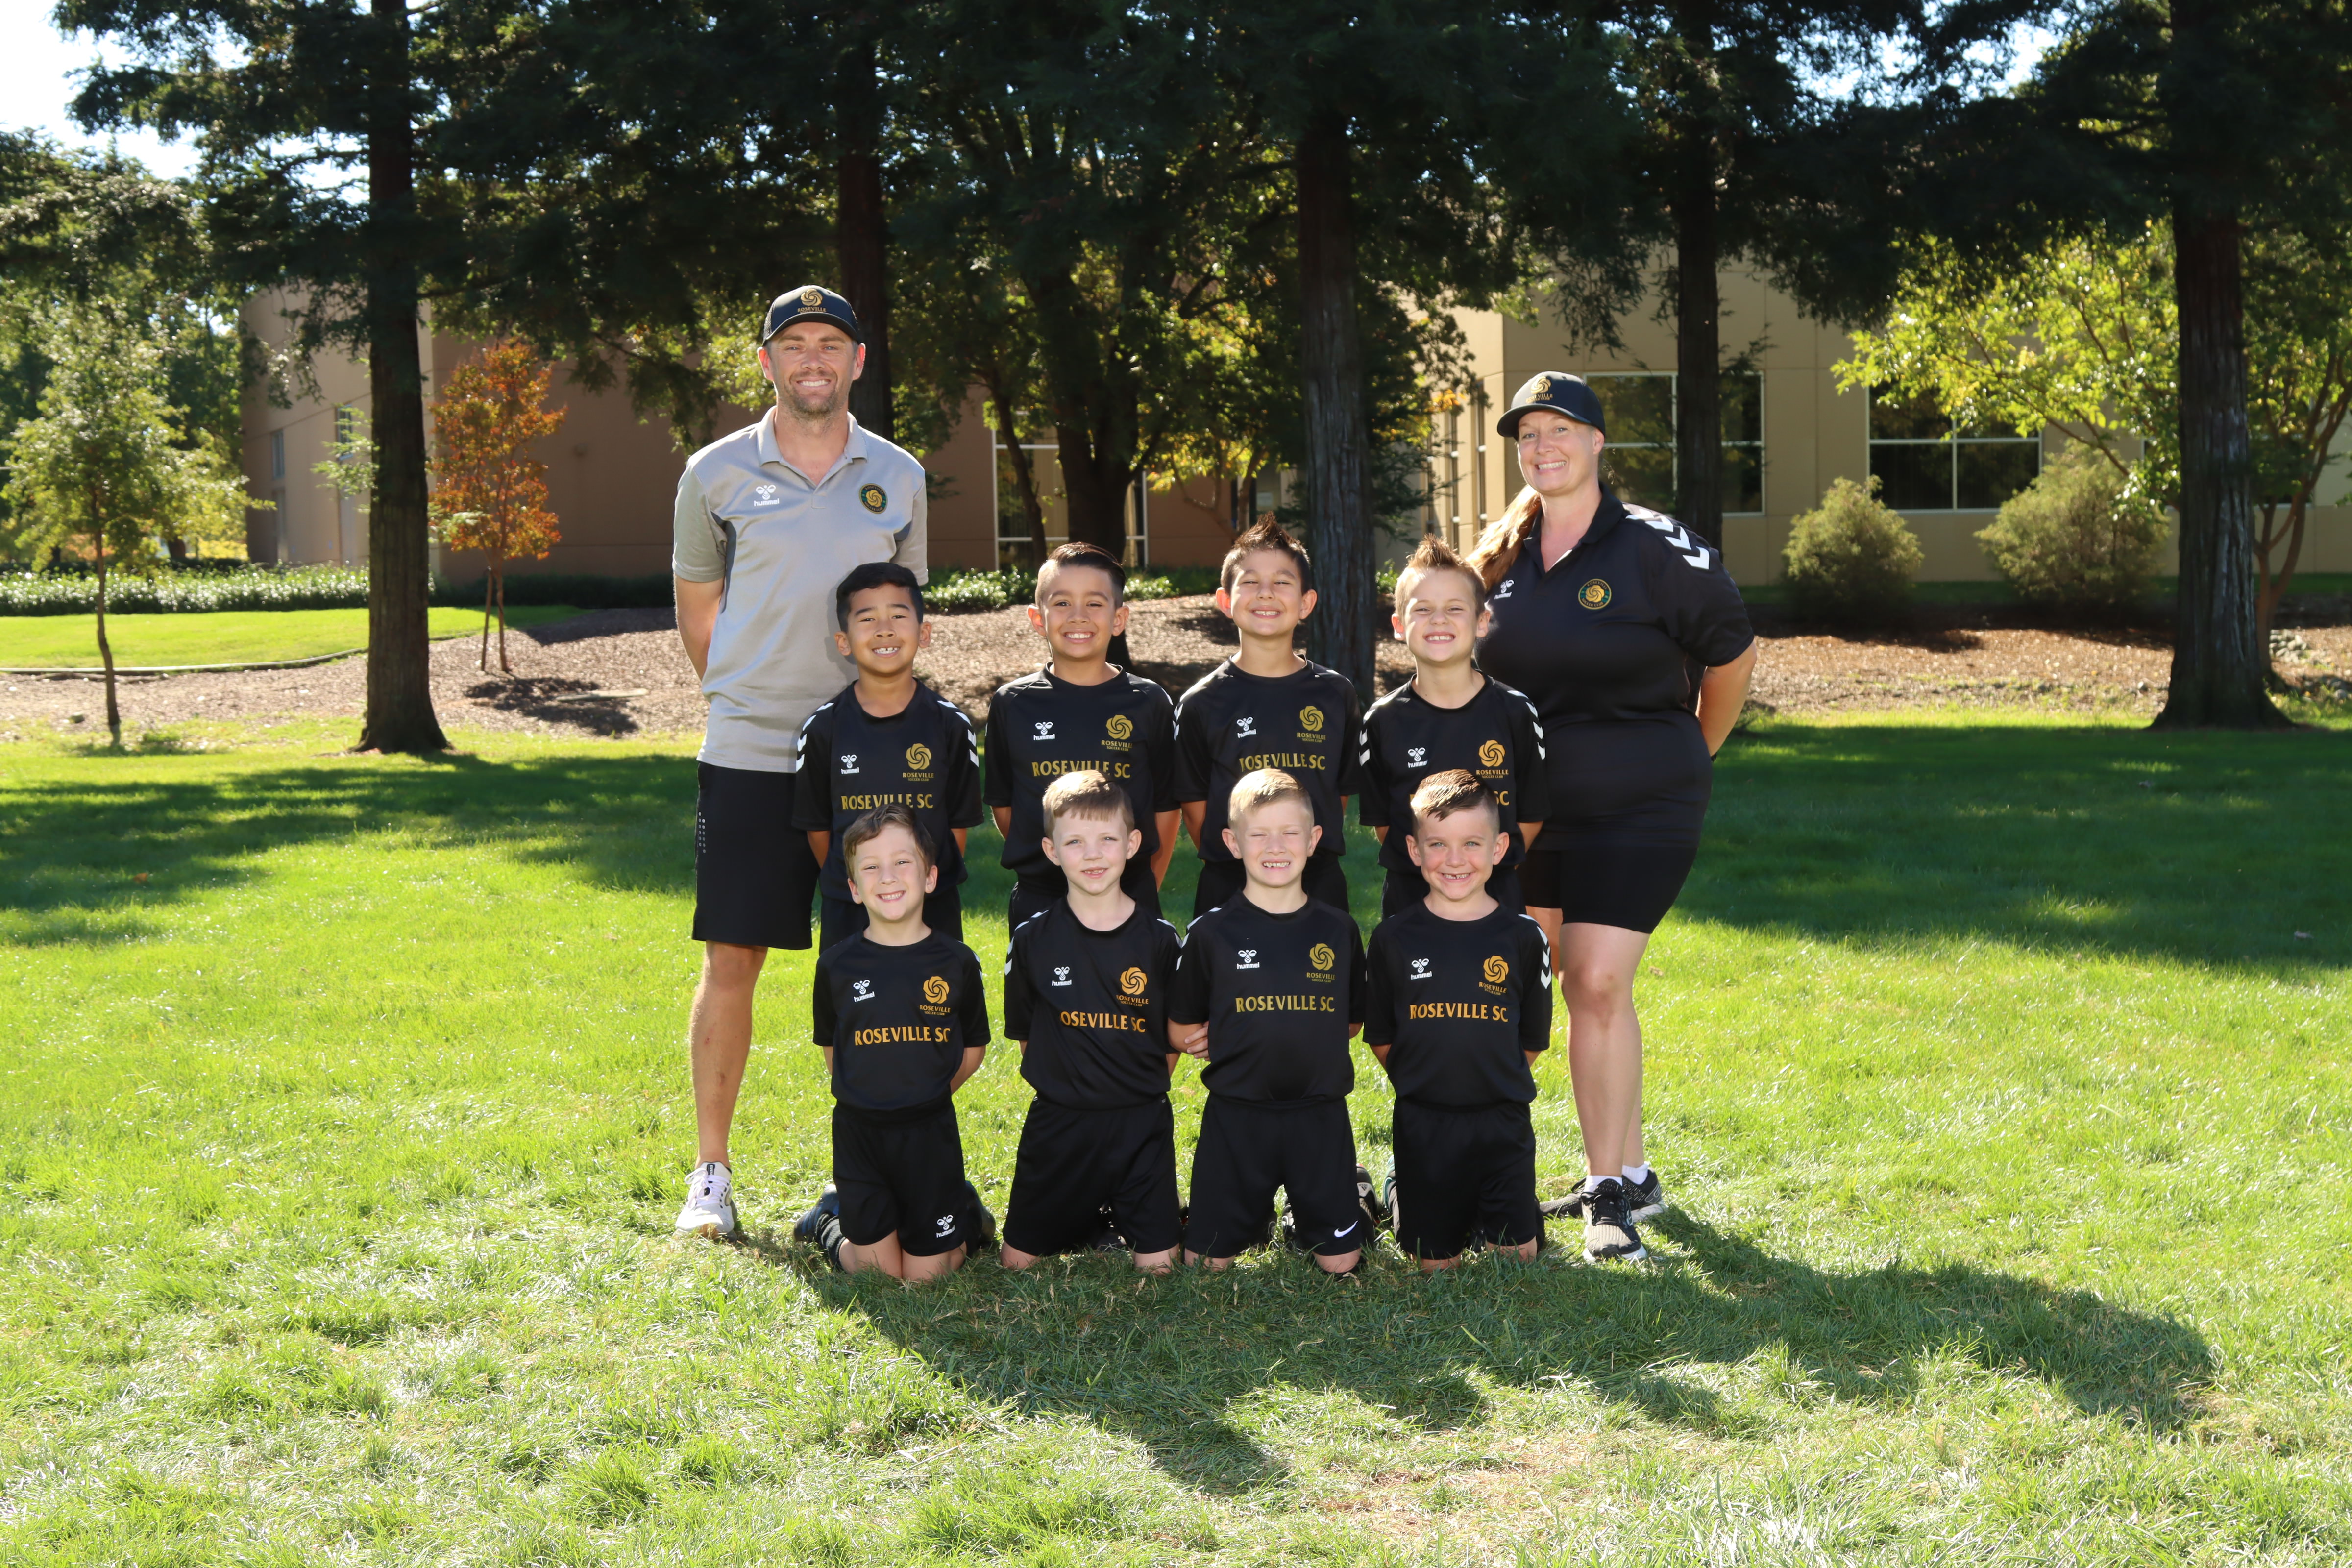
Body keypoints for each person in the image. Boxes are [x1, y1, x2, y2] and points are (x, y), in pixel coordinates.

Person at [1466, 372, 1757, 1263]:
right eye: (1529, 434)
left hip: (1642, 802)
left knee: (1594, 980)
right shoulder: (1500, 558)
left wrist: (1690, 752)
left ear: (1598, 443)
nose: (1543, 446)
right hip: (1530, 810)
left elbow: (1733, 657)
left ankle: (1606, 1195)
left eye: (1561, 429)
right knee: (1554, 980)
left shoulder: (1654, 547)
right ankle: (1632, 1172)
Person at [670, 285, 927, 1239]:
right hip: (749, 750)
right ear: (767, 361)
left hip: (867, 753)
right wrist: (749, 694)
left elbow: (902, 615)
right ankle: (711, 1176)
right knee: (733, 955)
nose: (812, 360)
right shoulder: (714, 473)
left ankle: (869, 1173)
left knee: (873, 958)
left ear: (857, 361)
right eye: (794, 344)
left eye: (830, 344)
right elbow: (698, 612)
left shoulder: (897, 474)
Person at [1170, 769, 1372, 1274]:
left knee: (1341, 1264)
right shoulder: (1211, 932)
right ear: (1232, 843)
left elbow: (1350, 1023)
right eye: (1258, 834)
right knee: (1204, 1265)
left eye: (1289, 832)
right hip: (1236, 1116)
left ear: (1314, 839)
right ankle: (1252, 1210)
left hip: (1320, 1116)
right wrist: (1215, 1035)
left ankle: (1347, 1196)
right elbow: (1180, 1027)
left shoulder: (1339, 930)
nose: (1275, 847)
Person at [792, 805, 993, 1281]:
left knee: (927, 1279)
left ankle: (963, 1213)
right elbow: (835, 1051)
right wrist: (872, 1094)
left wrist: (928, 1094)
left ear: (930, 876)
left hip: (930, 1132)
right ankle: (829, 1219)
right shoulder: (836, 966)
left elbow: (973, 1048)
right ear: (854, 888)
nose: (888, 876)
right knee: (877, 1276)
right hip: (860, 1134)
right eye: (871, 867)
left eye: (903, 861)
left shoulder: (957, 962)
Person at [1363, 772, 1555, 1270]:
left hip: (1502, 1120)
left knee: (1517, 1260)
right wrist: (1426, 1080)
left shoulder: (1524, 937)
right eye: (1437, 844)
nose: (1454, 860)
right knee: (1434, 1264)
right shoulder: (1392, 938)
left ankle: (1498, 1201)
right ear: (1414, 849)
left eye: (1472, 843)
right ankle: (1401, 1189)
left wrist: (1486, 1080)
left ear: (1499, 847)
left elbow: (1532, 1039)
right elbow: (1380, 1035)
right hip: (1424, 1121)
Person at [998, 771, 1187, 1273]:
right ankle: (1084, 1213)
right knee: (1017, 1264)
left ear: (1133, 843)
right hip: (1058, 1122)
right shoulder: (1032, 939)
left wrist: (1133, 1087)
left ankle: (1116, 1208)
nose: (1093, 854)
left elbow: (1171, 1039)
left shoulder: (1161, 941)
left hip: (1141, 1122)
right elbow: (1026, 1033)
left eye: (1107, 839)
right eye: (1075, 842)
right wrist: (1071, 1086)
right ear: (1051, 850)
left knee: (1160, 1268)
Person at [983, 543, 1180, 932]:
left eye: (1094, 603)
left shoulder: (1148, 702)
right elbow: (1007, 808)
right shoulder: (1012, 704)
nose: (1078, 616)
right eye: (1062, 603)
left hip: (1129, 895)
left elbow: (1165, 810)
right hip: (1040, 900)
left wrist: (1141, 886)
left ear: (1119, 618)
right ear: (1037, 619)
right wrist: (1056, 859)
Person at [1174, 520, 1364, 920]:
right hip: (1229, 886)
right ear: (1225, 601)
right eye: (1250, 582)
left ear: (1306, 603)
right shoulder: (1201, 703)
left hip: (1318, 883)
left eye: (1282, 582)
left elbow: (1337, 795)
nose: (1266, 593)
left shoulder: (1336, 695)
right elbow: (1196, 813)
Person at [793, 563, 982, 954]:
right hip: (850, 906)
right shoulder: (823, 729)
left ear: (924, 633)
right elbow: (818, 829)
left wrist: (920, 884)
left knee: (937, 995)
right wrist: (861, 884)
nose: (884, 630)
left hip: (932, 904)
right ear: (844, 642)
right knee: (849, 996)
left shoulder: (951, 725)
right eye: (867, 619)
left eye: (898, 616)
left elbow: (957, 827)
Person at [1359, 536, 1550, 921]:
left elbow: (1531, 814)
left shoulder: (1515, 711)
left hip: (1496, 901)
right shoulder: (1381, 720)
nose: (1439, 620)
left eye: (1455, 608)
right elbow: (1384, 823)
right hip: (1411, 905)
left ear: (1482, 622)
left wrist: (1478, 870)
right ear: (1399, 626)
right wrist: (1437, 871)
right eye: (1423, 609)